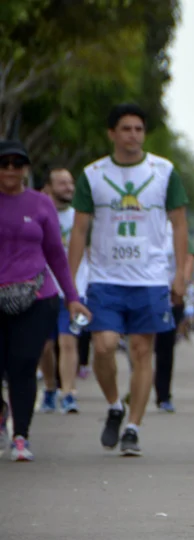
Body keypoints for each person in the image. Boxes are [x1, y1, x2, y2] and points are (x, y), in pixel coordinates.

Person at [68, 104, 189, 457]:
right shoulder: (93, 174)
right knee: (103, 346)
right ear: (112, 134)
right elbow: (79, 229)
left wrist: (179, 274)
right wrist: (71, 282)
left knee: (141, 351)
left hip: (150, 279)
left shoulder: (163, 171)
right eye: (125, 129)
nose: (132, 135)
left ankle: (133, 427)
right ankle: (114, 405)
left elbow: (179, 224)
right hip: (105, 278)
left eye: (138, 129)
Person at [0, 141, 90, 461]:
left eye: (17, 163)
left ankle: (20, 436)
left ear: (26, 168)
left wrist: (72, 298)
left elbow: (55, 253)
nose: (10, 169)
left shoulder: (40, 204)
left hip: (37, 297)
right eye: (4, 163)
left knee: (23, 365)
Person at [36, 167, 90, 414]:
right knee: (45, 346)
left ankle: (68, 393)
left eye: (70, 183)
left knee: (69, 341)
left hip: (74, 291)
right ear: (47, 188)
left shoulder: (80, 217)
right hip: (42, 290)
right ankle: (49, 388)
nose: (68, 187)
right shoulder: (38, 215)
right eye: (61, 183)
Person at [153, 220, 194, 413]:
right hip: (143, 292)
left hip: (171, 297)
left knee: (165, 348)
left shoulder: (176, 228)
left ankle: (164, 395)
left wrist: (181, 282)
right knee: (140, 346)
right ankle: (138, 384)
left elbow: (190, 256)